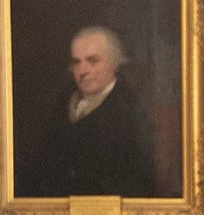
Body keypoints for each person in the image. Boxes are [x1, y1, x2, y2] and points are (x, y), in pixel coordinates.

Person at [22, 25, 158, 199]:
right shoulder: (61, 102)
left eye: (93, 61)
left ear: (114, 63)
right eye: (76, 62)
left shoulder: (129, 114)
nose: (83, 71)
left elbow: (136, 185)